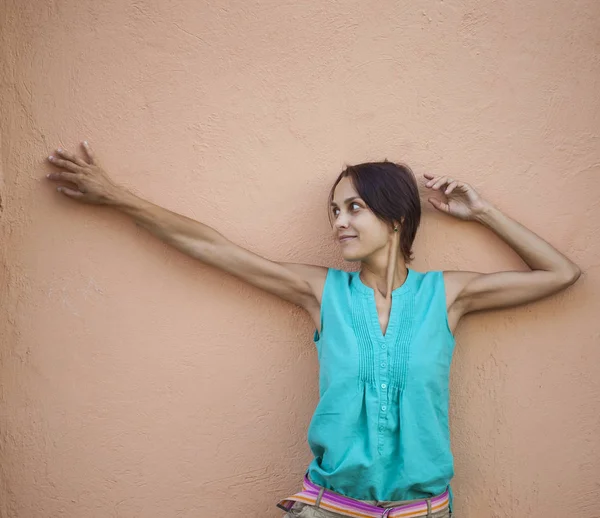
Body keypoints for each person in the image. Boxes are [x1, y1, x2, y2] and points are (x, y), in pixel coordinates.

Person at [45, 142, 581, 518]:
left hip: (424, 510)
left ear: (396, 219)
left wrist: (483, 211)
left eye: (354, 208)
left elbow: (561, 274)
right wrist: (114, 195)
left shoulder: (448, 294)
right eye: (334, 211)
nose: (338, 223)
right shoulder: (323, 292)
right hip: (329, 509)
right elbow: (213, 248)